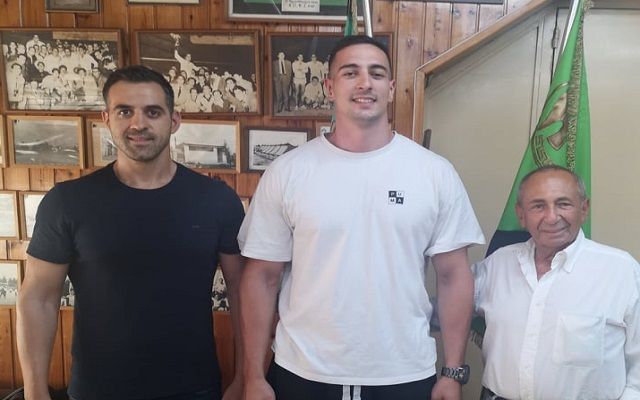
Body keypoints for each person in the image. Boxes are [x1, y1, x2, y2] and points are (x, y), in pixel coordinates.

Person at [239, 35, 484, 400]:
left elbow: (453, 276)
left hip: (403, 371)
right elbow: (261, 277)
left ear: (391, 88)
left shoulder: (433, 173)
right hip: (303, 371)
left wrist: (452, 371)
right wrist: (253, 375)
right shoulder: (288, 172)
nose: (365, 83)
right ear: (329, 87)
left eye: (377, 73)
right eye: (350, 72)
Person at [16, 65, 245, 400]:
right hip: (97, 391)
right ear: (106, 119)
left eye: (153, 112)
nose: (138, 123)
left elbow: (242, 291)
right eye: (125, 111)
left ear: (174, 120)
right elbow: (38, 298)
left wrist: (245, 376)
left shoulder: (217, 200)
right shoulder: (67, 202)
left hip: (194, 389)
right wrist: (35, 392)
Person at [474, 165, 640, 400]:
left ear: (584, 209)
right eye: (538, 206)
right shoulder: (497, 265)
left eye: (563, 204)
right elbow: (448, 308)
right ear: (521, 214)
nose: (552, 217)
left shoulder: (621, 270)